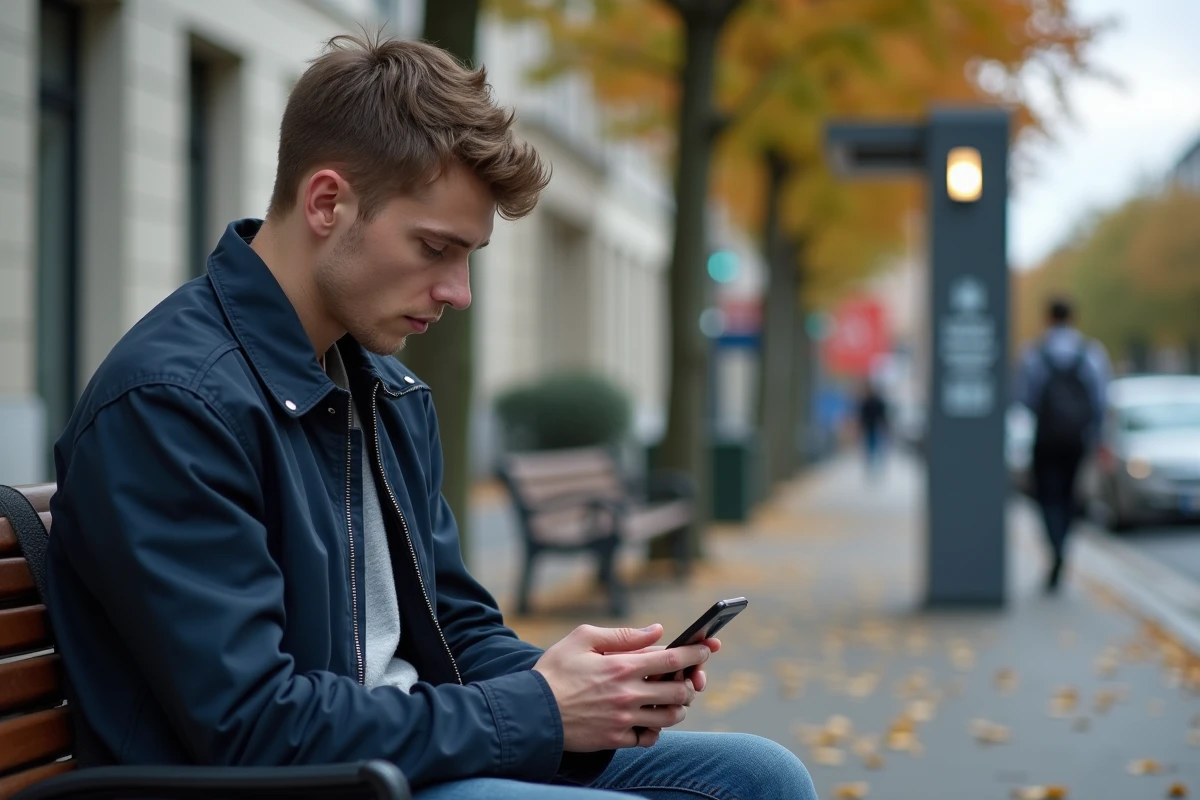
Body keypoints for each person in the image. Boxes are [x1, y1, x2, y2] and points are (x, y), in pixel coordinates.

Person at [45, 33, 816, 800]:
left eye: (469, 255)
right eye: (435, 248)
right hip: (298, 782)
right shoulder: (172, 405)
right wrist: (540, 709)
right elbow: (254, 728)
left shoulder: (386, 392)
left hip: (400, 753)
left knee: (761, 775)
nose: (459, 291)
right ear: (327, 203)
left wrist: (585, 687)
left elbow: (456, 629)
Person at [1017, 297, 1110, 593]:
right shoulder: (1091, 353)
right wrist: (1095, 435)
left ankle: (1054, 546)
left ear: (1047, 318)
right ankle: (1063, 547)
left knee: (1047, 497)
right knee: (1070, 496)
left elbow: (1025, 398)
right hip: (1076, 438)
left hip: (1046, 437)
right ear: (1073, 318)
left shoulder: (1035, 353)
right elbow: (1100, 400)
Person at [856, 380, 889, 479]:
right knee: (872, 449)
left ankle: (875, 468)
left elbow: (883, 416)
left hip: (874, 428)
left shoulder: (873, 402)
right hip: (871, 428)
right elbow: (863, 417)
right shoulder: (870, 402)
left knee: (875, 448)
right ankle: (874, 468)